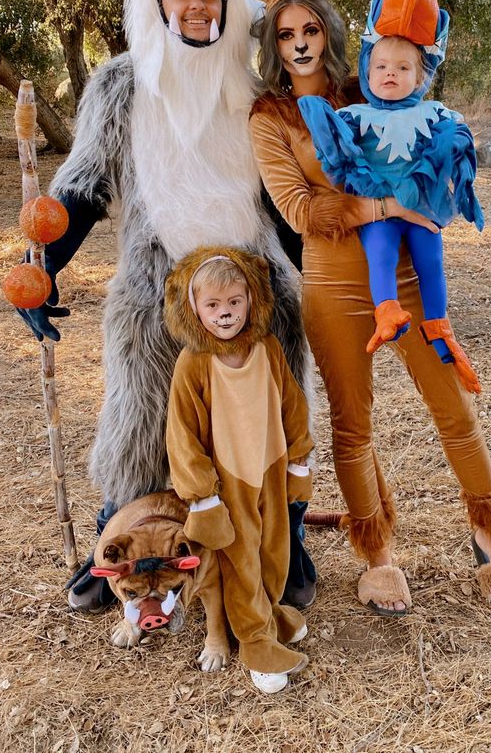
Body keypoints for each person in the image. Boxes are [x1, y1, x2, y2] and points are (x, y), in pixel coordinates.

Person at [14, 0, 316, 613]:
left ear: (227, 2)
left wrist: (329, 285)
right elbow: (80, 190)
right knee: (142, 415)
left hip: (258, 286)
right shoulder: (119, 86)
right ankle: (116, 536)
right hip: (156, 286)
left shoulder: (257, 89)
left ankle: (285, 534)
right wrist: (41, 267)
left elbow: (287, 201)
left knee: (270, 417)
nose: (198, 6)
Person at [248, 0, 491, 614]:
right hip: (329, 278)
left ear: (329, 32)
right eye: (285, 32)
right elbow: (297, 208)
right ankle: (377, 555)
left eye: (309, 28)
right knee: (352, 424)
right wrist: (385, 208)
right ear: (273, 42)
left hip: (401, 271)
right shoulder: (269, 116)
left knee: (452, 407)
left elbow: (417, 142)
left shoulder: (367, 84)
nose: (298, 42)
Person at [297, 0, 483, 391]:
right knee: (379, 252)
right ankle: (387, 312)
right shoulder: (354, 115)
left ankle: (440, 327)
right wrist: (326, 125)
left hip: (422, 208)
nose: (390, 74)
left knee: (431, 261)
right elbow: (335, 152)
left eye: (403, 67)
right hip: (378, 210)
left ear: (421, 77)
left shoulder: (436, 113)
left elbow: (454, 148)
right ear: (366, 67)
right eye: (380, 65)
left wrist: (454, 153)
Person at [165, 247, 312, 694]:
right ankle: (255, 643)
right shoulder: (193, 363)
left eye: (234, 302)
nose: (225, 314)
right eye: (213, 306)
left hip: (269, 467)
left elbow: (291, 404)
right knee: (242, 559)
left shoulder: (266, 348)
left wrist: (299, 460)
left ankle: (267, 612)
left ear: (251, 301)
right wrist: (201, 495)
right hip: (228, 482)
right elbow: (182, 433)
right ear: (193, 309)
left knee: (275, 551)